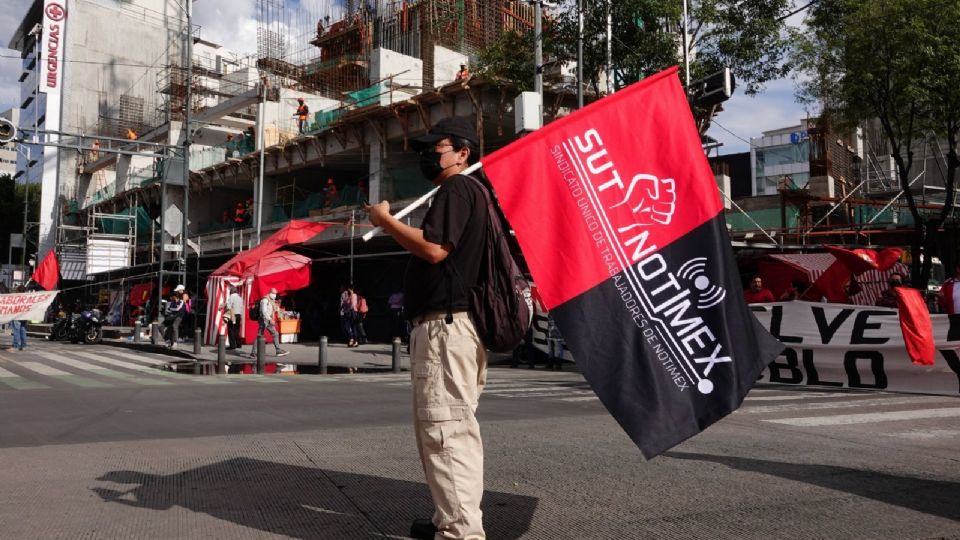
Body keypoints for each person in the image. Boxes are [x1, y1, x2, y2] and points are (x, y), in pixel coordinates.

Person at [365, 116, 488, 540]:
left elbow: (435, 250)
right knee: (441, 431)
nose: (428, 152)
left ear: (463, 153)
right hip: (451, 329)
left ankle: (461, 535)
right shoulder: (469, 193)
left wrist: (386, 222)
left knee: (446, 434)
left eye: (438, 146)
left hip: (445, 330)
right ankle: (446, 521)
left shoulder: (458, 189)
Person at [249, 288, 289, 357]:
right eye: (273, 293)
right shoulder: (264, 300)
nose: (275, 295)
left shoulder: (271, 301)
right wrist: (270, 319)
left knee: (261, 335)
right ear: (270, 292)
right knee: (273, 334)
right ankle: (278, 350)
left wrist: (282, 312)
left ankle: (253, 352)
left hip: (266, 320)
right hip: (264, 320)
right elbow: (264, 311)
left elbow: (275, 308)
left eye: (275, 293)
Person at [225, 285, 244, 351]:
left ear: (231, 292)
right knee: (237, 330)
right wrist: (241, 317)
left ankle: (232, 345)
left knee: (231, 330)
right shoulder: (240, 298)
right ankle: (239, 344)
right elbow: (241, 308)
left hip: (232, 314)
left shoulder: (231, 297)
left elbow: (228, 306)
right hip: (238, 315)